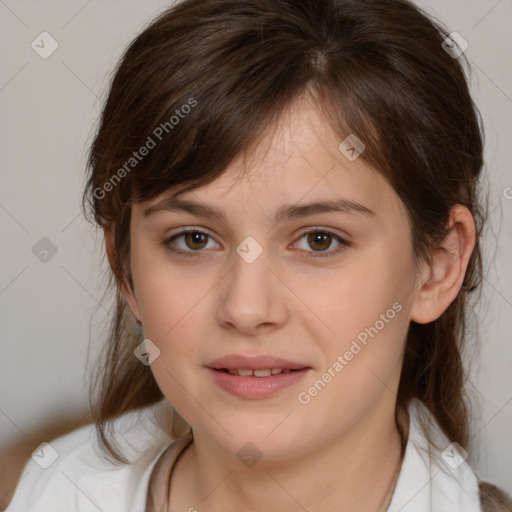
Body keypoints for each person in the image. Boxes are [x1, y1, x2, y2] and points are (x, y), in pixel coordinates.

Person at [5, 0, 512, 510]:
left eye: (319, 240)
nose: (246, 309)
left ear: (438, 267)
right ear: (125, 268)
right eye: (194, 239)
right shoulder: (51, 492)